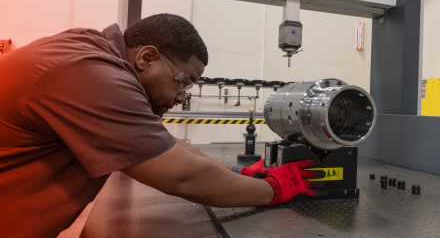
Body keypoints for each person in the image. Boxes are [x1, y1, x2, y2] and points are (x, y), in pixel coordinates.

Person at [0, 13, 321, 238]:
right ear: (147, 58)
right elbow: (180, 174)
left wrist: (237, 173)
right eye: (184, 82)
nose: (182, 96)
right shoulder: (88, 71)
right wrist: (273, 190)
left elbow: (163, 144)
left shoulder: (93, 53)